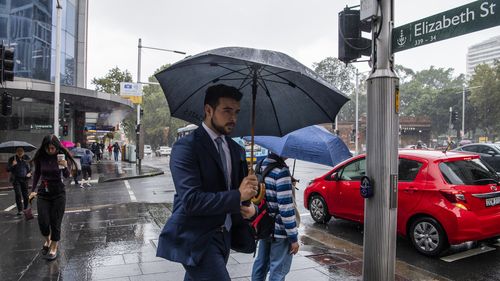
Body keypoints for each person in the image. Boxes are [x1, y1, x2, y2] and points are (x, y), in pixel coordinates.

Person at [156, 84, 259, 281]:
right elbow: (192, 200)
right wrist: (238, 195)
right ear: (208, 110)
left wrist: (248, 205)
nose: (233, 118)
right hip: (197, 238)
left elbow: (237, 194)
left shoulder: (236, 150)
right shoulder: (186, 147)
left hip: (225, 236)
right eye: (227, 111)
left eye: (236, 112)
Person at [251, 152, 299, 281]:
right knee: (278, 271)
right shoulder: (281, 171)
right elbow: (286, 209)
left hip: (264, 225)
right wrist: (293, 238)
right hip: (279, 231)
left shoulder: (261, 165)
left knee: (261, 265)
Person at [28, 134, 76, 261]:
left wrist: (65, 166)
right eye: (48, 148)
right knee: (43, 222)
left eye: (52, 148)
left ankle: (54, 246)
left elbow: (67, 176)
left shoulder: (61, 155)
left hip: (58, 192)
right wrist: (32, 191)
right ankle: (47, 240)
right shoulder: (41, 157)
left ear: (56, 147)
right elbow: (37, 173)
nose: (50, 150)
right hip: (44, 192)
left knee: (56, 222)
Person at [7, 147, 32, 215]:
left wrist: (30, 173)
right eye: (18, 151)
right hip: (16, 179)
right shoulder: (12, 159)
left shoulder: (27, 158)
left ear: (24, 151)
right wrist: (13, 165)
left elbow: (32, 167)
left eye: (21, 151)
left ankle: (25, 208)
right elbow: (7, 169)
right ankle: (20, 210)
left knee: (25, 195)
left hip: (25, 179)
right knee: (18, 194)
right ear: (16, 151)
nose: (20, 152)